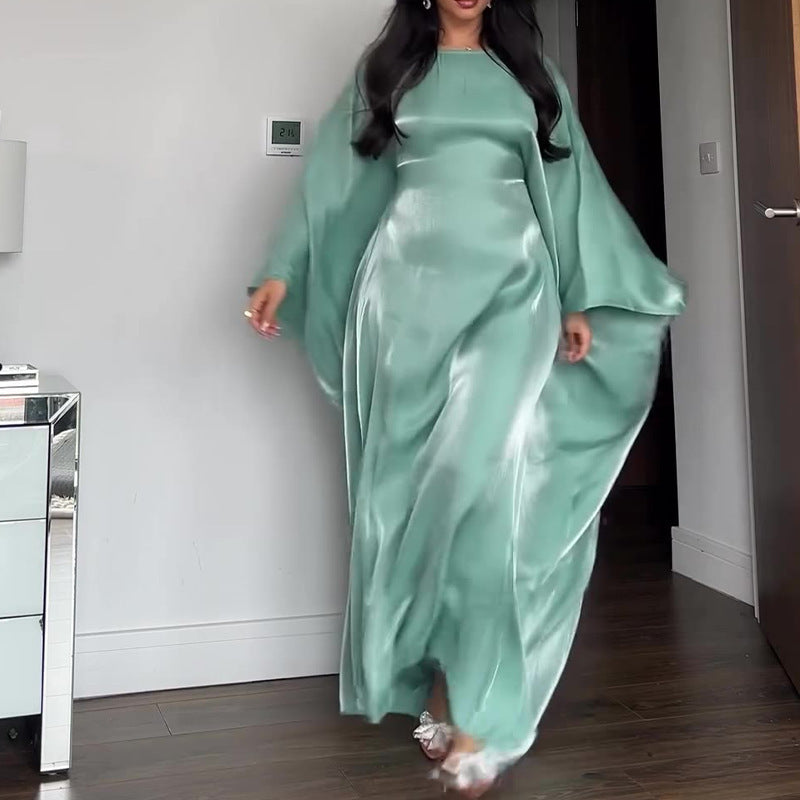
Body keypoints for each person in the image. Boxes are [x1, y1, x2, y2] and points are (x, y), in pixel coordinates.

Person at [245, 0, 685, 795]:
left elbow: (571, 186)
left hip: (514, 292)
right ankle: (440, 677)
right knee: (415, 500)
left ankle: (480, 711)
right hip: (404, 300)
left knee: (485, 496)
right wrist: (282, 268)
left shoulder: (530, 74)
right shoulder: (387, 71)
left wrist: (579, 295)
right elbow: (331, 182)